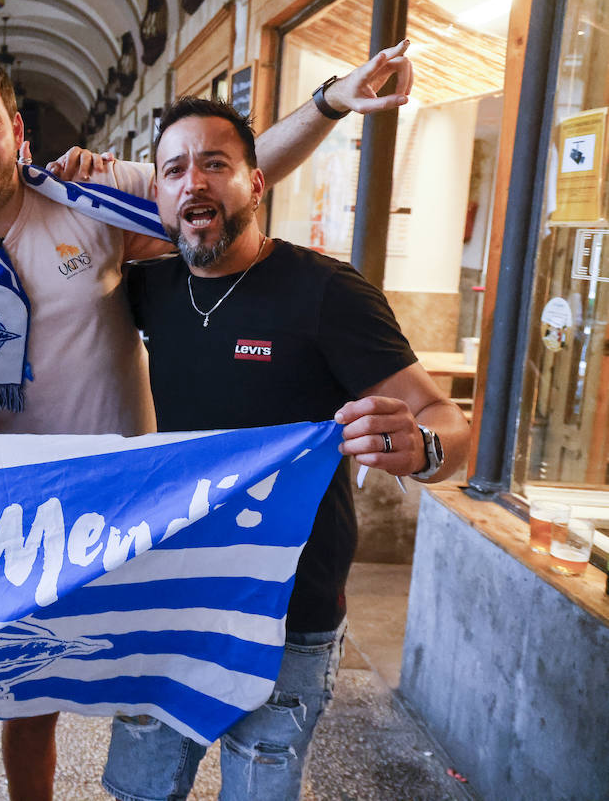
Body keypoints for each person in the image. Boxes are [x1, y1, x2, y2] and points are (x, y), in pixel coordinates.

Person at [0, 48, 415, 800]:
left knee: (157, 684)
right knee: (34, 698)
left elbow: (222, 177)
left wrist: (329, 103)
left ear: (17, 133)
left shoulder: (88, 195)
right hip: (37, 510)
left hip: (146, 506)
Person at [108, 95, 470, 801]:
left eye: (216, 164)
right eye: (175, 169)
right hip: (170, 600)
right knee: (141, 792)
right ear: (159, 194)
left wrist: (422, 445)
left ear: (256, 182)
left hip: (290, 608)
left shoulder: (326, 292)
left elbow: (444, 422)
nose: (195, 182)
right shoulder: (146, 289)